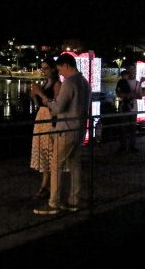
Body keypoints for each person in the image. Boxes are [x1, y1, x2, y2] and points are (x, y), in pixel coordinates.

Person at [34, 53, 91, 215]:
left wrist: (47, 101)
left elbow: (58, 108)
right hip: (79, 130)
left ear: (66, 65)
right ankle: (74, 200)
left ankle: (54, 202)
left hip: (65, 129)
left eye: (60, 70)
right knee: (75, 166)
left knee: (55, 164)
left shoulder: (69, 83)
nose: (60, 73)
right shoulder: (85, 83)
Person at [29, 57, 61, 199]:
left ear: (53, 69)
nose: (43, 70)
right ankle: (46, 185)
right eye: (42, 68)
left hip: (49, 118)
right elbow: (39, 104)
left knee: (48, 150)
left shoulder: (56, 84)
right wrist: (34, 94)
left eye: (46, 68)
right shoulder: (46, 82)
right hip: (41, 116)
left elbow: (55, 105)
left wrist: (40, 93)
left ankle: (46, 186)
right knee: (41, 149)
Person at [115, 65, 139, 153]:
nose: (131, 71)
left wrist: (133, 95)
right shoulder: (122, 81)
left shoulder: (137, 82)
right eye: (129, 69)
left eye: (133, 69)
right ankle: (123, 146)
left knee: (132, 128)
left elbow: (140, 95)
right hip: (124, 107)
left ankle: (131, 146)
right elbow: (118, 93)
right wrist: (126, 95)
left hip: (132, 107)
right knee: (123, 128)